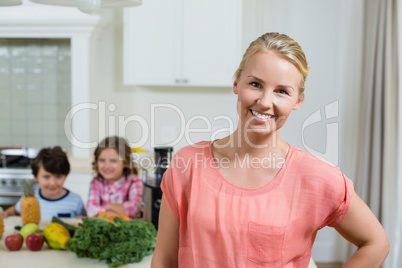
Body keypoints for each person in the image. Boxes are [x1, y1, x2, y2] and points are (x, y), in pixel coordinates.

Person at [151, 32, 390, 267]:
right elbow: (165, 259)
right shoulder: (187, 164)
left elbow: (376, 242)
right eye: (255, 84)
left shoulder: (316, 178)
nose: (265, 102)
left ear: (298, 100)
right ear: (237, 82)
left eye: (282, 91)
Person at [4, 146, 86, 218]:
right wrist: (5, 214)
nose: (52, 183)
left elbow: (83, 221)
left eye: (58, 176)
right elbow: (14, 211)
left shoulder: (76, 201)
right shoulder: (29, 198)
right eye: (46, 177)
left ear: (65, 175)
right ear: (36, 177)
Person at [86, 136, 142, 219]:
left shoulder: (134, 182)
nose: (107, 166)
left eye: (113, 161)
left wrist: (106, 206)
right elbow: (91, 210)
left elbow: (134, 210)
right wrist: (118, 212)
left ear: (125, 162)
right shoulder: (96, 182)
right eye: (102, 160)